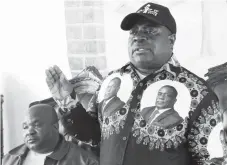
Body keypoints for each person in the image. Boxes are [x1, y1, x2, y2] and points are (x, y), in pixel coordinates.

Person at [45, 2, 223, 165]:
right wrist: (67, 100)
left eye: (150, 31)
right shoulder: (111, 82)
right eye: (134, 32)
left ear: (171, 40)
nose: (139, 37)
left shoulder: (198, 93)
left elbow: (213, 159)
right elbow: (94, 135)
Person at [2, 104, 98, 165]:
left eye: (37, 125)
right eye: (25, 127)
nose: (29, 132)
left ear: (55, 126)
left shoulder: (85, 161)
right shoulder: (9, 158)